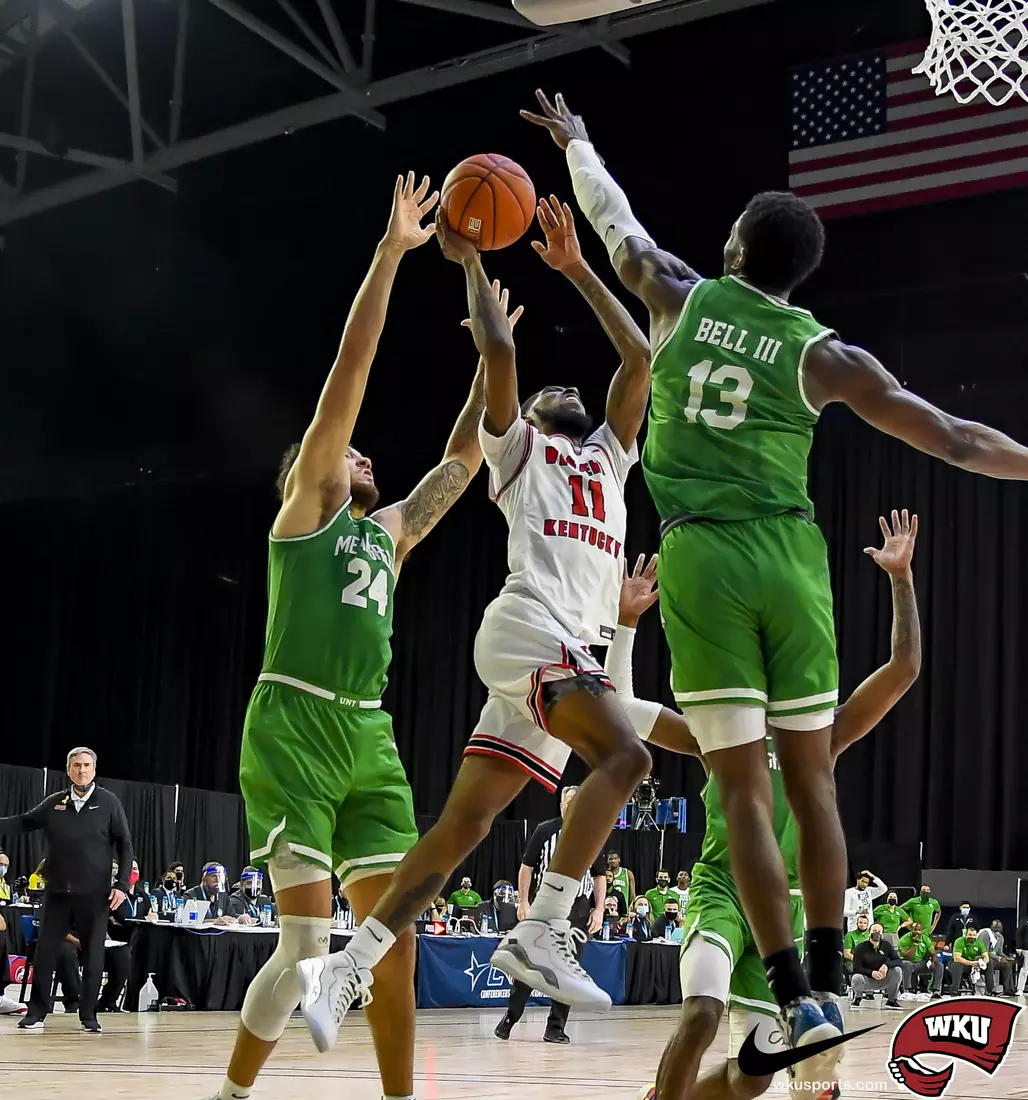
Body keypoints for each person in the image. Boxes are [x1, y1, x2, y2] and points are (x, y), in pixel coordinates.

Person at [524, 87, 1028, 1069]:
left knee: (744, 793)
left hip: (704, 555)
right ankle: (832, 980)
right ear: (797, 274)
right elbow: (959, 439)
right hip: (793, 559)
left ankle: (794, 995)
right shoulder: (823, 354)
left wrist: (580, 140)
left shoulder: (677, 290)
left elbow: (612, 220)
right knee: (812, 783)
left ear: (732, 247)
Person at [297, 192, 661, 1052]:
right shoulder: (520, 450)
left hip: (565, 651)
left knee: (462, 828)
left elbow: (639, 357)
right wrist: (467, 260)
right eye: (545, 390)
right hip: (529, 631)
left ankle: (350, 964)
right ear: (523, 419)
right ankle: (543, 929)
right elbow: (500, 349)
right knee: (630, 757)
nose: (560, 386)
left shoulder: (609, 456)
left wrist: (579, 270)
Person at [201, 172, 505, 1100]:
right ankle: (233, 1093)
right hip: (291, 724)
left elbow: (463, 458)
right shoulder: (305, 515)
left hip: (369, 737)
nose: (364, 452)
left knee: (397, 945)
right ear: (313, 467)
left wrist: (493, 357)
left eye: (366, 450)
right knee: (303, 945)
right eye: (347, 449)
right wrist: (390, 255)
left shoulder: (392, 533)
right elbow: (351, 374)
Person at [620, 512, 920, 1100]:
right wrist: (627, 623)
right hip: (722, 890)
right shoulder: (720, 734)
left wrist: (901, 580)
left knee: (752, 1078)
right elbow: (622, 708)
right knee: (701, 1015)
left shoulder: (822, 736)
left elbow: (904, 668)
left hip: (788, 912)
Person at [0, 747, 132, 1034]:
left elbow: (125, 844)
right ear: (69, 770)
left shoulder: (109, 803)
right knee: (46, 953)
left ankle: (89, 1015)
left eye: (86, 765)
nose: (81, 770)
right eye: (76, 766)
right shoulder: (55, 803)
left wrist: (121, 885)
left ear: (94, 769)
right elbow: (24, 821)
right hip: (57, 893)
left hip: (95, 895)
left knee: (94, 956)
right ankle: (37, 1012)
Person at [496, 784, 605, 1046]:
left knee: (569, 969)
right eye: (570, 804)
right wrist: (524, 901)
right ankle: (512, 1015)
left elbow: (599, 875)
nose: (574, 808)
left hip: (578, 908)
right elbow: (527, 867)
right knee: (531, 962)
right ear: (562, 806)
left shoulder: (593, 834)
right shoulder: (545, 831)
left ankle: (556, 1027)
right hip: (548, 905)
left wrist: (599, 908)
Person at [850, 924, 903, 1010]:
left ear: (882, 934)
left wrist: (886, 965)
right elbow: (856, 968)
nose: (876, 933)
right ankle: (858, 997)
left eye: (879, 932)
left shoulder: (886, 945)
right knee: (856, 978)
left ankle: (891, 1000)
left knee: (897, 970)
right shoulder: (860, 947)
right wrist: (871, 973)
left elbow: (898, 961)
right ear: (869, 933)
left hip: (883, 978)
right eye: (874, 931)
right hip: (867, 979)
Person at [899, 921, 944, 998]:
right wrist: (915, 944)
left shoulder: (926, 939)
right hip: (907, 963)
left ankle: (935, 990)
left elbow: (933, 953)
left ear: (922, 930)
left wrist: (934, 960)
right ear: (911, 930)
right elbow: (907, 956)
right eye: (915, 930)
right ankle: (907, 990)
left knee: (939, 965)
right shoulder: (904, 939)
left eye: (919, 930)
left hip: (920, 964)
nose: (917, 932)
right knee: (907, 964)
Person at [948, 925, 994, 995]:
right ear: (965, 935)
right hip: (962, 964)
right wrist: (972, 963)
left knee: (990, 962)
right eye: (970, 935)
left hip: (974, 965)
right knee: (956, 964)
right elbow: (957, 958)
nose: (972, 937)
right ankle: (955, 990)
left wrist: (982, 963)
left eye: (973, 935)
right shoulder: (959, 941)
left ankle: (990, 990)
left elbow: (986, 956)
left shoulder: (979, 942)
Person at [980, 920, 1016, 995]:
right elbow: (985, 952)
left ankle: (1008, 990)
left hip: (994, 958)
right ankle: (990, 989)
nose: (997, 929)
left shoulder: (1000, 937)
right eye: (995, 927)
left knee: (1007, 964)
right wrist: (999, 958)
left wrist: (1006, 958)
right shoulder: (985, 934)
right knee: (990, 962)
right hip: (983, 959)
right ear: (991, 927)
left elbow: (999, 952)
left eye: (999, 927)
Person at [843, 915, 870, 982]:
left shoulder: (870, 935)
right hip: (852, 963)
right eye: (860, 922)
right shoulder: (849, 935)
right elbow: (847, 954)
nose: (862, 925)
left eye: (865, 923)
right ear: (857, 923)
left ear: (867, 924)